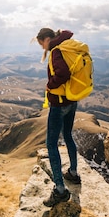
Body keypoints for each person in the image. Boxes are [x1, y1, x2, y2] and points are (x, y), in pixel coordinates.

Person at [36, 27, 82, 207]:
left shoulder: (56, 51)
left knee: (51, 144)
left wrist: (50, 85)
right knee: (68, 135)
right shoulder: (67, 46)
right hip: (71, 100)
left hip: (59, 104)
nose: (42, 48)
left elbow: (62, 73)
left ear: (47, 39)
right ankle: (73, 173)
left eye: (42, 44)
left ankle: (60, 190)